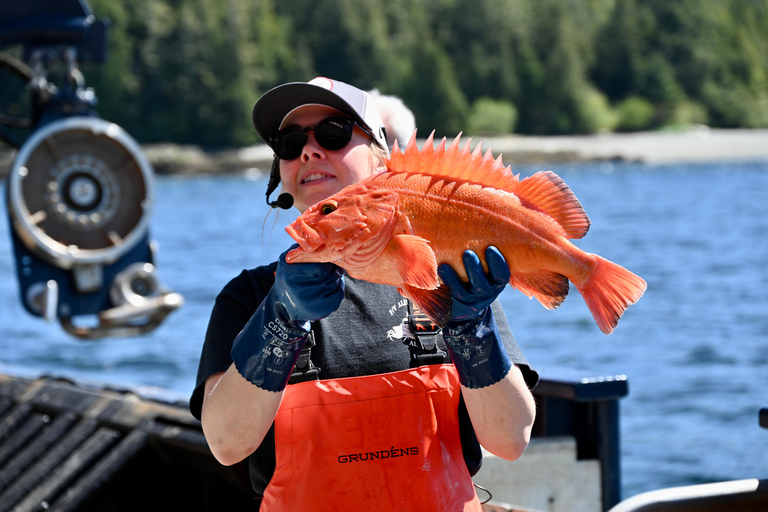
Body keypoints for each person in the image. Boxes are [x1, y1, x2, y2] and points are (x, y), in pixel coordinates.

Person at [189, 76, 538, 511]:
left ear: (380, 161)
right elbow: (225, 443)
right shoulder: (248, 297)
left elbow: (510, 439)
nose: (310, 151)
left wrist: (472, 327)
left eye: (334, 133)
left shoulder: (449, 278)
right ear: (280, 174)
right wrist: (278, 324)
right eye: (290, 142)